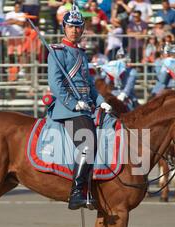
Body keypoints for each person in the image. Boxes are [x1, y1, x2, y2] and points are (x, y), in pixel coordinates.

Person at [47, 6, 113, 210]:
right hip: (68, 109)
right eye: (70, 27)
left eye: (78, 27)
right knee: (87, 142)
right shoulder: (57, 52)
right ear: (64, 28)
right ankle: (76, 191)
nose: (74, 30)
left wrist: (101, 100)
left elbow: (89, 86)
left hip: (87, 107)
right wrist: (73, 103)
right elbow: (55, 84)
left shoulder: (82, 54)